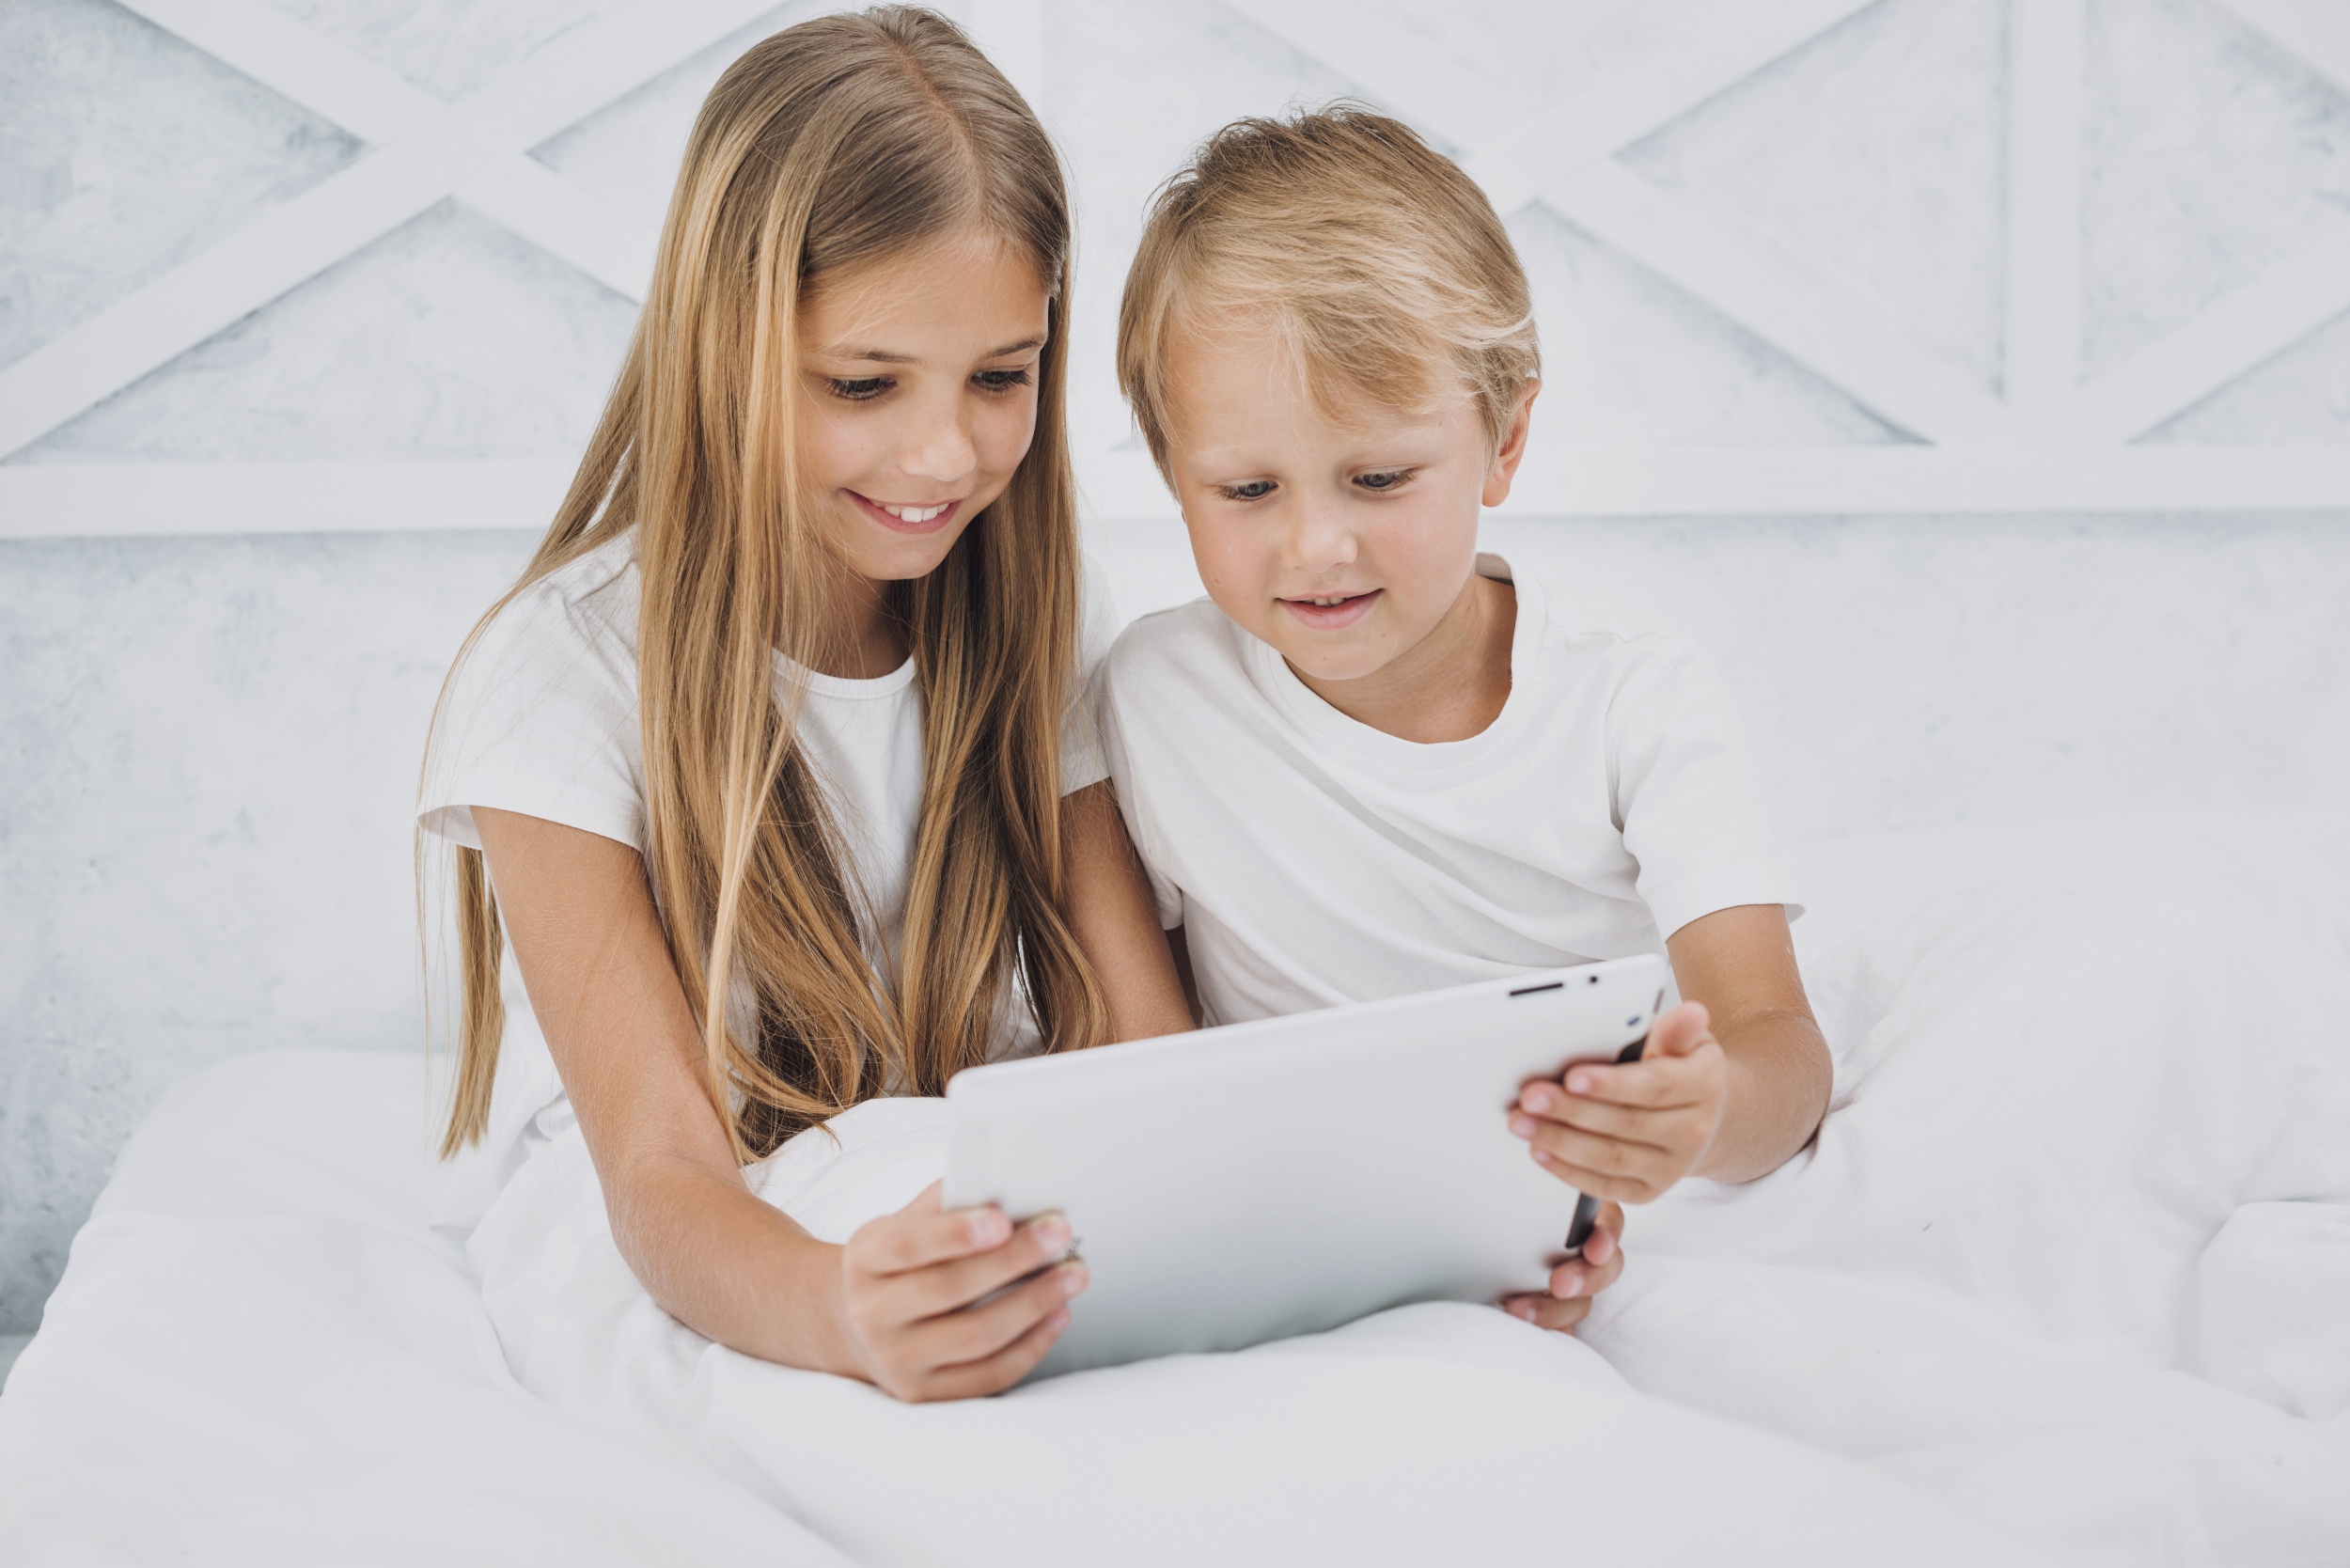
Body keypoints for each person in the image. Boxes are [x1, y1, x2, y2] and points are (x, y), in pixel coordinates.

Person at [417, 8, 1190, 1403]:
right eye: (862, 383)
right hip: (685, 1240)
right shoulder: (559, 671)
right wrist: (841, 1310)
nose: (942, 454)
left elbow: (1152, 1062)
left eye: (1000, 377)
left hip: (930, 1191)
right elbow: (660, 1171)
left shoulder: (1042, 619)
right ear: (723, 344)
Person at [1103, 106, 1834, 1333]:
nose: (1315, 545)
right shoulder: (1151, 698)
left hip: (1562, 1207)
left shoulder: (1631, 698)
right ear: (1173, 472)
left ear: (1505, 438)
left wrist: (1700, 1114)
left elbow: (1783, 1052)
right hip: (1303, 1223)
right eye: (1247, 488)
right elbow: (1155, 1062)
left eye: (1379, 478)